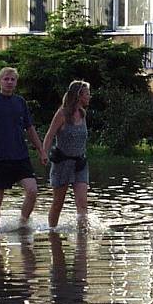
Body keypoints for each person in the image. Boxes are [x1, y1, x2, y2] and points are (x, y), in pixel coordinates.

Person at [0, 67, 47, 230]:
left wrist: (41, 150)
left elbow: (29, 128)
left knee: (32, 190)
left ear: (16, 82)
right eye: (6, 79)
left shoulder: (20, 102)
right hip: (0, 157)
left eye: (12, 79)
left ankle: (22, 223)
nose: (9, 82)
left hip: (21, 156)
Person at [43, 80, 91, 229]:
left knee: (82, 203)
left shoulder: (82, 113)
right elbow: (50, 134)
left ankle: (83, 236)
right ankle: (52, 231)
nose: (89, 97)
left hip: (80, 164)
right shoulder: (62, 113)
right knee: (58, 202)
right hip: (62, 163)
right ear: (78, 96)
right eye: (87, 94)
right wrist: (44, 153)